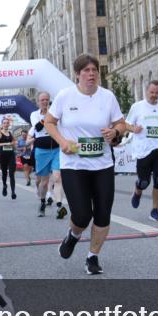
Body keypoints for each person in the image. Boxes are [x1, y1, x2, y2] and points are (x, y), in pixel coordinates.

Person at [46, 54, 128, 274]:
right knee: (82, 215)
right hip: (74, 165)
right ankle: (73, 235)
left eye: (94, 70)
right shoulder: (65, 96)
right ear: (77, 74)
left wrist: (115, 131)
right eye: (86, 70)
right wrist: (62, 141)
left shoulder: (107, 97)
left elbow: (121, 123)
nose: (91, 74)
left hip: (102, 164)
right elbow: (49, 122)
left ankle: (92, 257)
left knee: (103, 213)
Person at [126, 80, 158, 222]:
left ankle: (155, 210)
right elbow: (126, 124)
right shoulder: (137, 107)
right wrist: (133, 129)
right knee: (144, 182)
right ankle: (137, 191)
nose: (154, 95)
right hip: (143, 149)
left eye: (156, 93)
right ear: (146, 91)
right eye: (151, 92)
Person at [29, 92, 67, 220]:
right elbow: (38, 127)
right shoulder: (34, 114)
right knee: (44, 182)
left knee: (57, 178)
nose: (45, 102)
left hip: (56, 149)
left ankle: (59, 206)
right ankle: (42, 202)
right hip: (42, 151)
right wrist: (49, 115)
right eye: (42, 100)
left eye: (47, 100)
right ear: (38, 102)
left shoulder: (56, 113)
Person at [0, 117, 18, 200]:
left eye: (7, 123)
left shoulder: (10, 133)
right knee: (4, 173)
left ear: (9, 124)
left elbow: (14, 142)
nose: (6, 124)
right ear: (2, 124)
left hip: (11, 155)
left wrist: (13, 143)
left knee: (11, 174)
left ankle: (13, 192)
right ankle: (4, 186)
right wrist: (5, 144)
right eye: (4, 123)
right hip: (3, 156)